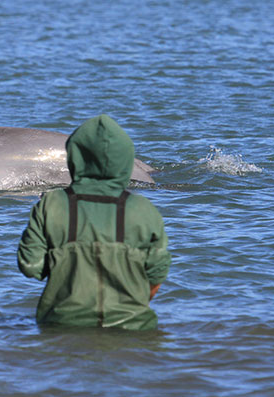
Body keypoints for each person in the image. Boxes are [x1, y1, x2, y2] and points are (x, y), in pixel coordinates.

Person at [17, 114, 170, 330]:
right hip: (134, 327)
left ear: (74, 156)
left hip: (61, 325)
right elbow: (157, 274)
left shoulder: (51, 204)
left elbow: (30, 266)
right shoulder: (143, 209)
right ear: (125, 158)